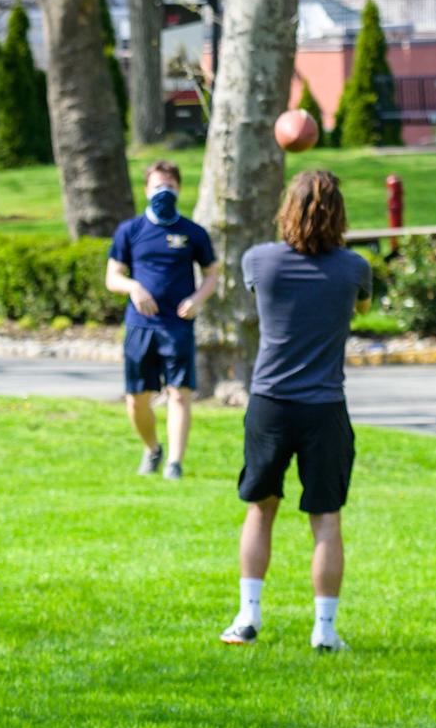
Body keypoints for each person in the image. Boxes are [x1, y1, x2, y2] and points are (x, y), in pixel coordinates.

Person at [222, 168, 373, 653]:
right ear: (339, 214)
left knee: (260, 510)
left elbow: (259, 295)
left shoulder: (258, 262)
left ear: (287, 209)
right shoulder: (354, 269)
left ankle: (248, 618)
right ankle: (324, 631)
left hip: (270, 404)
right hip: (325, 407)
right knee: (326, 518)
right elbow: (362, 309)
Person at [107, 160, 219, 481]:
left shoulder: (192, 232)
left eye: (169, 185)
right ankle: (153, 448)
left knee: (180, 393)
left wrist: (197, 299)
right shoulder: (130, 231)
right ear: (146, 189)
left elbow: (212, 273)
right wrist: (134, 287)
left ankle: (174, 463)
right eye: (157, 186)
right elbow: (112, 277)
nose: (163, 191)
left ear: (179, 189)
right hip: (141, 326)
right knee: (137, 400)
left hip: (178, 325)